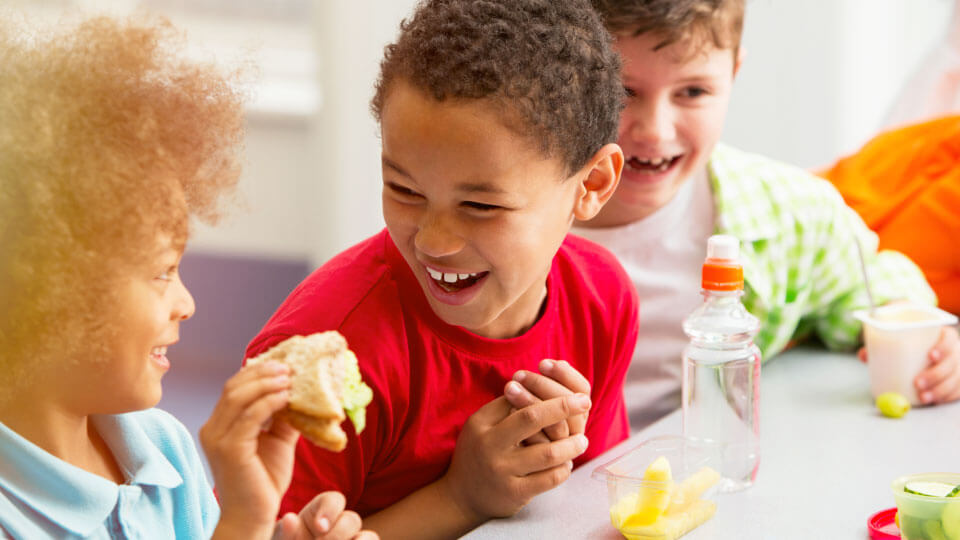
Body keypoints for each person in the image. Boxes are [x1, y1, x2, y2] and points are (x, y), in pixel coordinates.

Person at [244, 0, 637, 537]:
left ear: (590, 185)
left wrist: (568, 458)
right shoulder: (327, 359)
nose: (433, 241)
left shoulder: (602, 297)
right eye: (404, 190)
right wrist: (461, 498)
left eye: (480, 206)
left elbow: (601, 506)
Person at [0, 15, 375, 539]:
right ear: (46, 291)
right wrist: (241, 522)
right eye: (162, 272)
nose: (187, 303)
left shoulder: (164, 448)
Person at [557, 0, 960, 430]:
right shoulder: (507, 214)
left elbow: (870, 281)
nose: (655, 129)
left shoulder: (788, 215)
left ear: (733, 72)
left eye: (692, 92)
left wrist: (929, 342)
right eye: (623, 92)